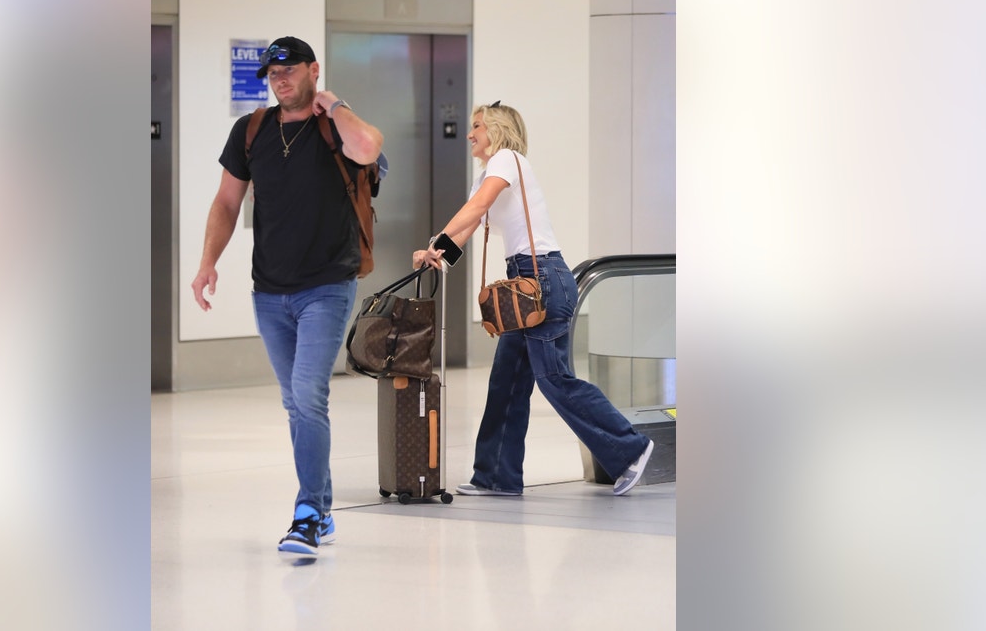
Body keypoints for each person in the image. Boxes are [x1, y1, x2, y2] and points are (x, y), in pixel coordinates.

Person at [191, 36, 384, 556]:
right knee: (295, 403)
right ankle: (321, 509)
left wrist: (336, 105)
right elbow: (227, 202)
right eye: (273, 74)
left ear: (312, 70)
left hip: (327, 284)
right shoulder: (250, 131)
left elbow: (369, 149)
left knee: (306, 396)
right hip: (270, 291)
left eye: (290, 70)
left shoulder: (332, 126)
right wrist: (208, 262)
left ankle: (306, 515)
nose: (280, 80)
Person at [413, 101, 654, 497]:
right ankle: (495, 477)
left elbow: (477, 207)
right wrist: (436, 254)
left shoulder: (507, 158)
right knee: (507, 381)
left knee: (554, 378)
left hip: (542, 279)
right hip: (523, 285)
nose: (470, 134)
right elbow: (472, 222)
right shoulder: (488, 173)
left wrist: (436, 241)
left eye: (477, 126)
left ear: (498, 129)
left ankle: (631, 448)